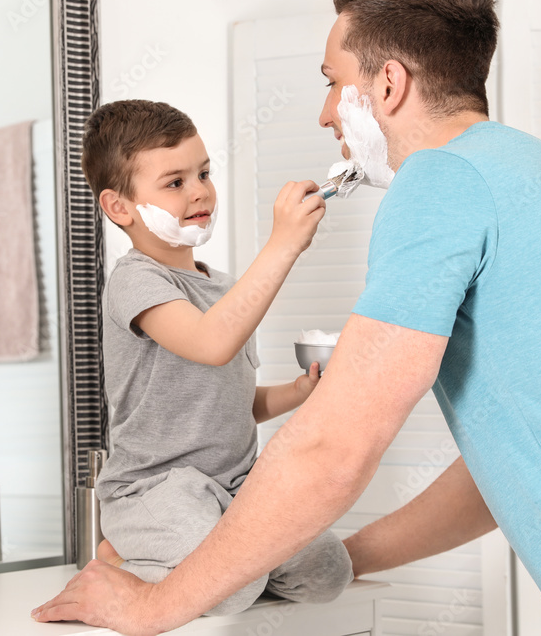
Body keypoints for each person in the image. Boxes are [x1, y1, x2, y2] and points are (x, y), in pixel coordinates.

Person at [32, 0, 541, 634]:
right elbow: (511, 467)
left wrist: (151, 606)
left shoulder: (440, 181)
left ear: (388, 85)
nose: (326, 111)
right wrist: (323, 558)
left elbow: (334, 445)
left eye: (332, 81)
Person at [80, 100, 352, 615]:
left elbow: (226, 401)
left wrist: (297, 393)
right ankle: (123, 556)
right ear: (120, 208)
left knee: (327, 573)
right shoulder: (134, 281)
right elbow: (211, 343)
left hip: (234, 486)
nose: (200, 190)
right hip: (156, 490)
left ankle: (185, 564)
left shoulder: (223, 289)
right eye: (175, 182)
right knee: (227, 585)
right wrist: (284, 244)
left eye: (203, 172)